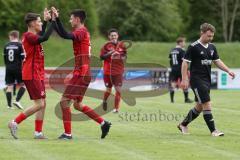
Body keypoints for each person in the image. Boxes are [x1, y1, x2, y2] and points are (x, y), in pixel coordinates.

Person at [51, 7, 111, 140]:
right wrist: (55, 20)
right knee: (77, 105)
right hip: (84, 72)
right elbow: (64, 34)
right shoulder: (82, 31)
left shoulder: (81, 31)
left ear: (77, 19)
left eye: (71, 18)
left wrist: (56, 20)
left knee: (64, 102)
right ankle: (103, 123)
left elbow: (65, 35)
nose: (70, 20)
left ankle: (67, 134)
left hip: (81, 73)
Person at [178, 23, 235, 136]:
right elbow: (185, 63)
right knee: (207, 103)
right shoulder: (193, 47)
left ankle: (183, 124)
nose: (210, 38)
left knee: (199, 107)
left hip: (206, 80)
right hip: (196, 80)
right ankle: (213, 131)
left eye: (212, 36)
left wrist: (228, 70)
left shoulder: (212, 47)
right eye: (208, 36)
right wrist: (184, 79)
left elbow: (217, 61)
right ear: (202, 33)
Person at [8, 9, 53, 139]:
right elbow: (45, 37)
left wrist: (45, 21)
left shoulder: (33, 36)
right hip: (31, 73)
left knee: (43, 103)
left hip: (37, 73)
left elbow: (42, 35)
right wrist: (52, 22)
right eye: (39, 21)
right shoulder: (28, 36)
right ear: (33, 23)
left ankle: (38, 132)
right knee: (39, 104)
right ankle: (14, 122)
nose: (40, 23)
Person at [100, 29, 127, 113]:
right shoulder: (105, 46)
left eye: (115, 35)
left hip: (118, 71)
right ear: (109, 37)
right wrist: (110, 53)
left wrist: (119, 55)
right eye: (112, 36)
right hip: (108, 71)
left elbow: (125, 57)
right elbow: (101, 57)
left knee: (118, 90)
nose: (113, 37)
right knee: (108, 89)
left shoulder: (122, 45)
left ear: (117, 36)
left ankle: (116, 108)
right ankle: (104, 101)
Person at [3, 30, 26, 109]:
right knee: (24, 84)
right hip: (18, 68)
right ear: (17, 36)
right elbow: (23, 58)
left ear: (12, 36)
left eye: (9, 36)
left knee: (9, 86)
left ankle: (9, 106)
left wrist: (8, 66)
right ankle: (17, 100)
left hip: (8, 68)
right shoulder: (20, 45)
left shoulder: (6, 45)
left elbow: (5, 58)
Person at [169, 37, 193, 103]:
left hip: (173, 69)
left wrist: (172, 67)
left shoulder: (172, 50)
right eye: (184, 42)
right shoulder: (182, 51)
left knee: (173, 83)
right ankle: (186, 99)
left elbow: (170, 60)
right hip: (180, 69)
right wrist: (187, 69)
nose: (184, 43)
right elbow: (184, 61)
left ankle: (172, 100)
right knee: (185, 81)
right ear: (180, 43)